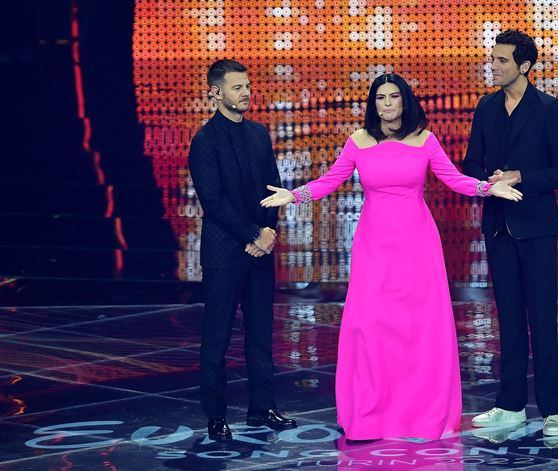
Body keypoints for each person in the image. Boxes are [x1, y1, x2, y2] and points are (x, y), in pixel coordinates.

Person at [260, 73, 522, 440]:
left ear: (404, 101)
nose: (386, 103)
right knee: (370, 328)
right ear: (374, 104)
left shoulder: (425, 140)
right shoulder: (358, 142)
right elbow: (329, 181)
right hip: (374, 246)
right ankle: (372, 416)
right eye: (380, 97)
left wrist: (488, 188)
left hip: (418, 245)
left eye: (393, 96)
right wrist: (295, 195)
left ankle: (421, 415)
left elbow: (453, 179)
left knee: (419, 329)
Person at [462, 30, 558, 437]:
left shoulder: (548, 109)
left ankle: (551, 409)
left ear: (524, 66)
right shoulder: (486, 107)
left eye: (501, 60)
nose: (492, 66)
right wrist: (488, 181)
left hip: (537, 227)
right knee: (508, 317)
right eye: (492, 59)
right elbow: (470, 162)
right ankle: (510, 404)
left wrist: (521, 177)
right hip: (498, 226)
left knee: (541, 318)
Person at [188, 59, 296, 440]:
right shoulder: (203, 141)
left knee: (261, 334)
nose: (246, 92)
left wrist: (267, 234)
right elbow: (213, 202)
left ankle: (262, 407)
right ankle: (215, 415)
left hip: (260, 250)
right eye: (237, 87)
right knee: (217, 336)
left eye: (247, 85)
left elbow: (274, 189)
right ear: (215, 92)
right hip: (224, 253)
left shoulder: (258, 135)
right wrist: (253, 234)